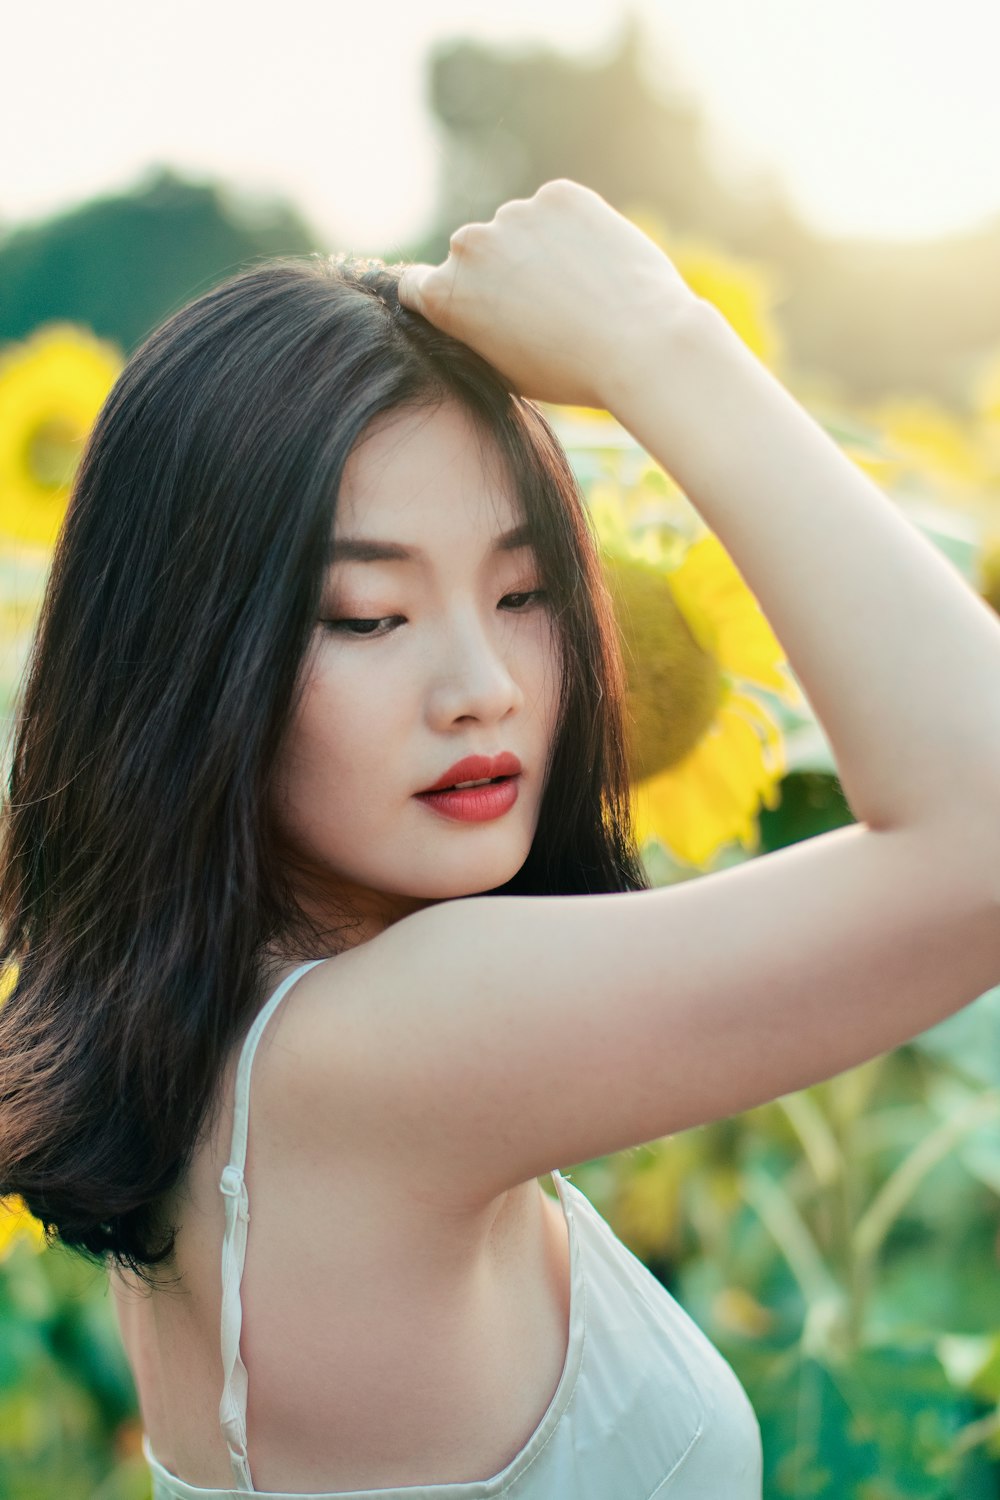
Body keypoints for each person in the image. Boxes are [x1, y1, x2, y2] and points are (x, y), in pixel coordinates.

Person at [1, 178, 999, 1499]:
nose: (487, 683)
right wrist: (663, 343)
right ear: (184, 655)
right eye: (366, 614)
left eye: (526, 591)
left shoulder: (214, 1049)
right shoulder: (387, 1045)